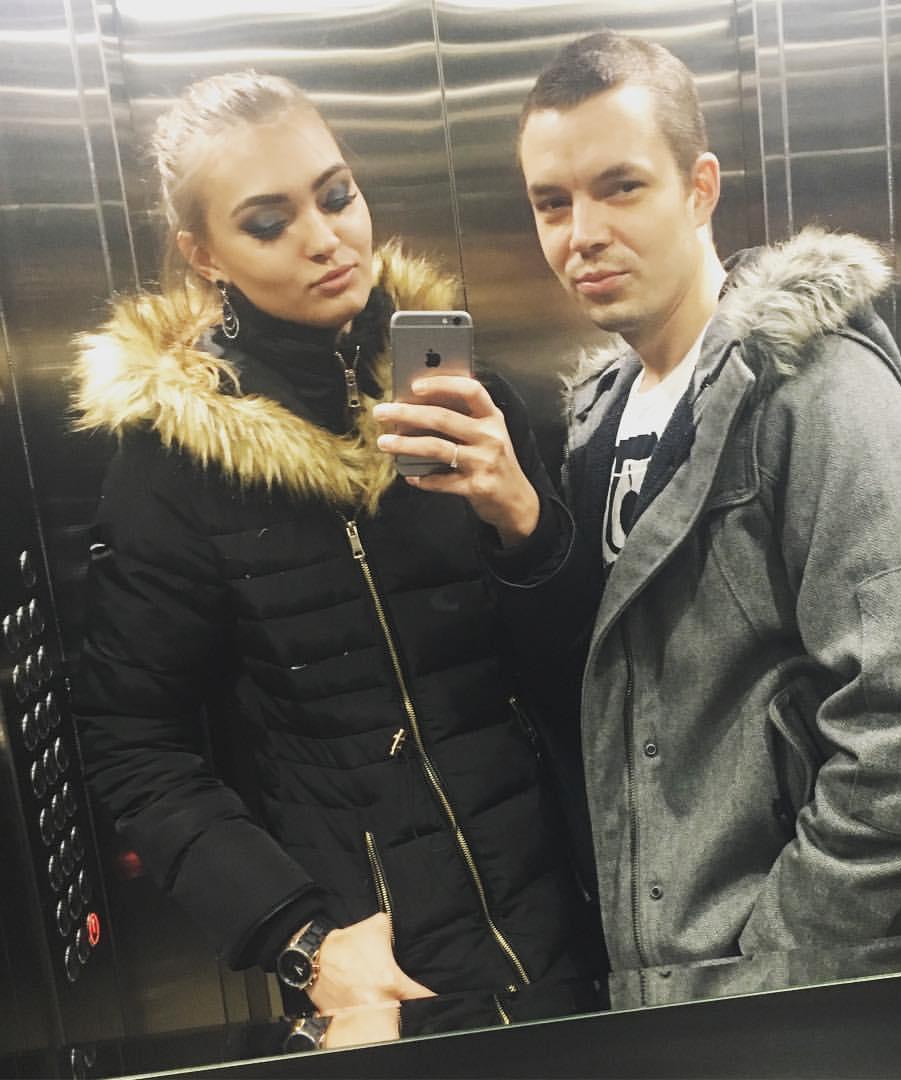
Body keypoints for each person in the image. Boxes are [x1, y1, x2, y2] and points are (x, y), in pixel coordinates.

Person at [377, 31, 901, 1010]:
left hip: (789, 994)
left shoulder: (815, 390)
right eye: (552, 202)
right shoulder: (597, 419)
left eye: (620, 187)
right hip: (648, 983)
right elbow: (614, 703)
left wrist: (775, 959)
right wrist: (521, 527)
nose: (582, 233)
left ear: (700, 188)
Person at [69, 70, 602, 1052]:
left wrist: (524, 520)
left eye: (337, 194)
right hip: (379, 975)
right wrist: (301, 939)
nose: (325, 238)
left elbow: (589, 671)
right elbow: (131, 742)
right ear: (203, 254)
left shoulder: (465, 398)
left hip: (576, 924)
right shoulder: (174, 469)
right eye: (269, 223)